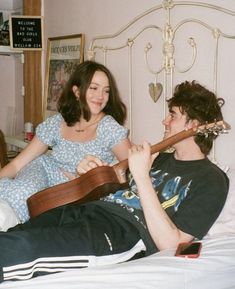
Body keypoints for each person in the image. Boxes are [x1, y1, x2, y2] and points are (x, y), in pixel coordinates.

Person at [0, 80, 229, 283]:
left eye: (173, 115)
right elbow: (115, 188)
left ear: (193, 126)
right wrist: (89, 175)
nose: (164, 120)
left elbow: (170, 244)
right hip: (86, 211)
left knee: (20, 249)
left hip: (118, 233)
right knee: (13, 235)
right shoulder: (159, 159)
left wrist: (141, 177)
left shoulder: (212, 180)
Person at [0, 60, 131, 225]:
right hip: (44, 171)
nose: (101, 96)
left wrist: (90, 178)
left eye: (106, 91)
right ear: (76, 91)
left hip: (74, 191)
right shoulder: (58, 122)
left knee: (41, 217)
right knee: (21, 193)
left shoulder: (108, 127)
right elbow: (17, 164)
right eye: (94, 88)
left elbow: (131, 168)